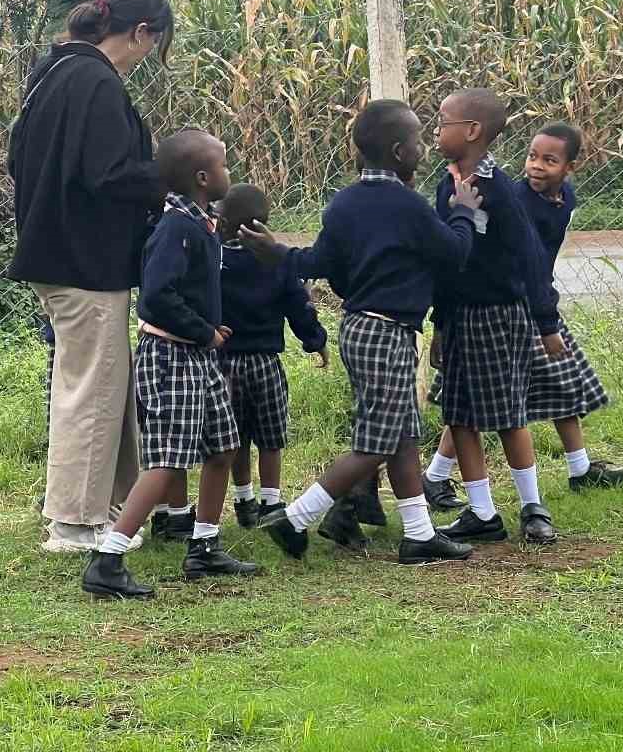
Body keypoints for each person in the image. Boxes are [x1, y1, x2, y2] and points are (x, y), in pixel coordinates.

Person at [241, 100, 483, 566]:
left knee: (402, 435)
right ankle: (295, 516)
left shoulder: (345, 201)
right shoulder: (408, 205)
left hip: (358, 328)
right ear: (398, 152)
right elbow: (453, 252)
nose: (423, 148)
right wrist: (463, 211)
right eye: (416, 141)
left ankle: (419, 533)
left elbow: (319, 262)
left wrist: (278, 253)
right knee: (376, 442)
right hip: (386, 333)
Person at [8, 0, 173, 554]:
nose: (149, 54)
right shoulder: (98, 83)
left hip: (53, 249)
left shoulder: (54, 70)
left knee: (107, 381)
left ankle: (112, 505)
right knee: (91, 389)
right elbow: (109, 174)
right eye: (155, 42)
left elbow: (17, 156)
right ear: (140, 31)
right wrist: (170, 178)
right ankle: (75, 524)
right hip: (86, 260)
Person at [82, 130, 257, 599]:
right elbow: (157, 297)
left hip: (200, 356)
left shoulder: (201, 223)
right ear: (203, 178)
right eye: (223, 165)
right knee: (165, 462)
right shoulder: (175, 229)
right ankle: (108, 560)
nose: (228, 173)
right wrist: (203, 329)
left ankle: (204, 546)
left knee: (222, 448)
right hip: (173, 357)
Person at [425, 122, 623, 497]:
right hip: (514, 310)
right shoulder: (513, 199)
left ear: (569, 168)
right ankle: (436, 475)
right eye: (532, 156)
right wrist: (541, 313)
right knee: (474, 399)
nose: (536, 165)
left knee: (561, 386)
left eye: (549, 160)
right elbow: (517, 258)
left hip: (536, 302)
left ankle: (580, 466)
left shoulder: (564, 199)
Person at [428, 89, 564, 547]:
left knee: (508, 414)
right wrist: (440, 322)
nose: (436, 128)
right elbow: (445, 258)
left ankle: (532, 506)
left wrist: (546, 321)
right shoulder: (447, 184)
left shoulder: (501, 190)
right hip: (460, 318)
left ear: (472, 131)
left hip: (499, 316)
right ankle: (482, 511)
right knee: (460, 413)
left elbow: (529, 256)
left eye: (443, 119)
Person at [216, 184, 329, 529]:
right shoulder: (276, 263)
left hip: (224, 362)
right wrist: (316, 340)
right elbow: (298, 305)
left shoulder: (213, 260)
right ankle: (271, 502)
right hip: (265, 362)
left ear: (222, 221)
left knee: (234, 437)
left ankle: (243, 498)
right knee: (270, 436)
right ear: (264, 224)